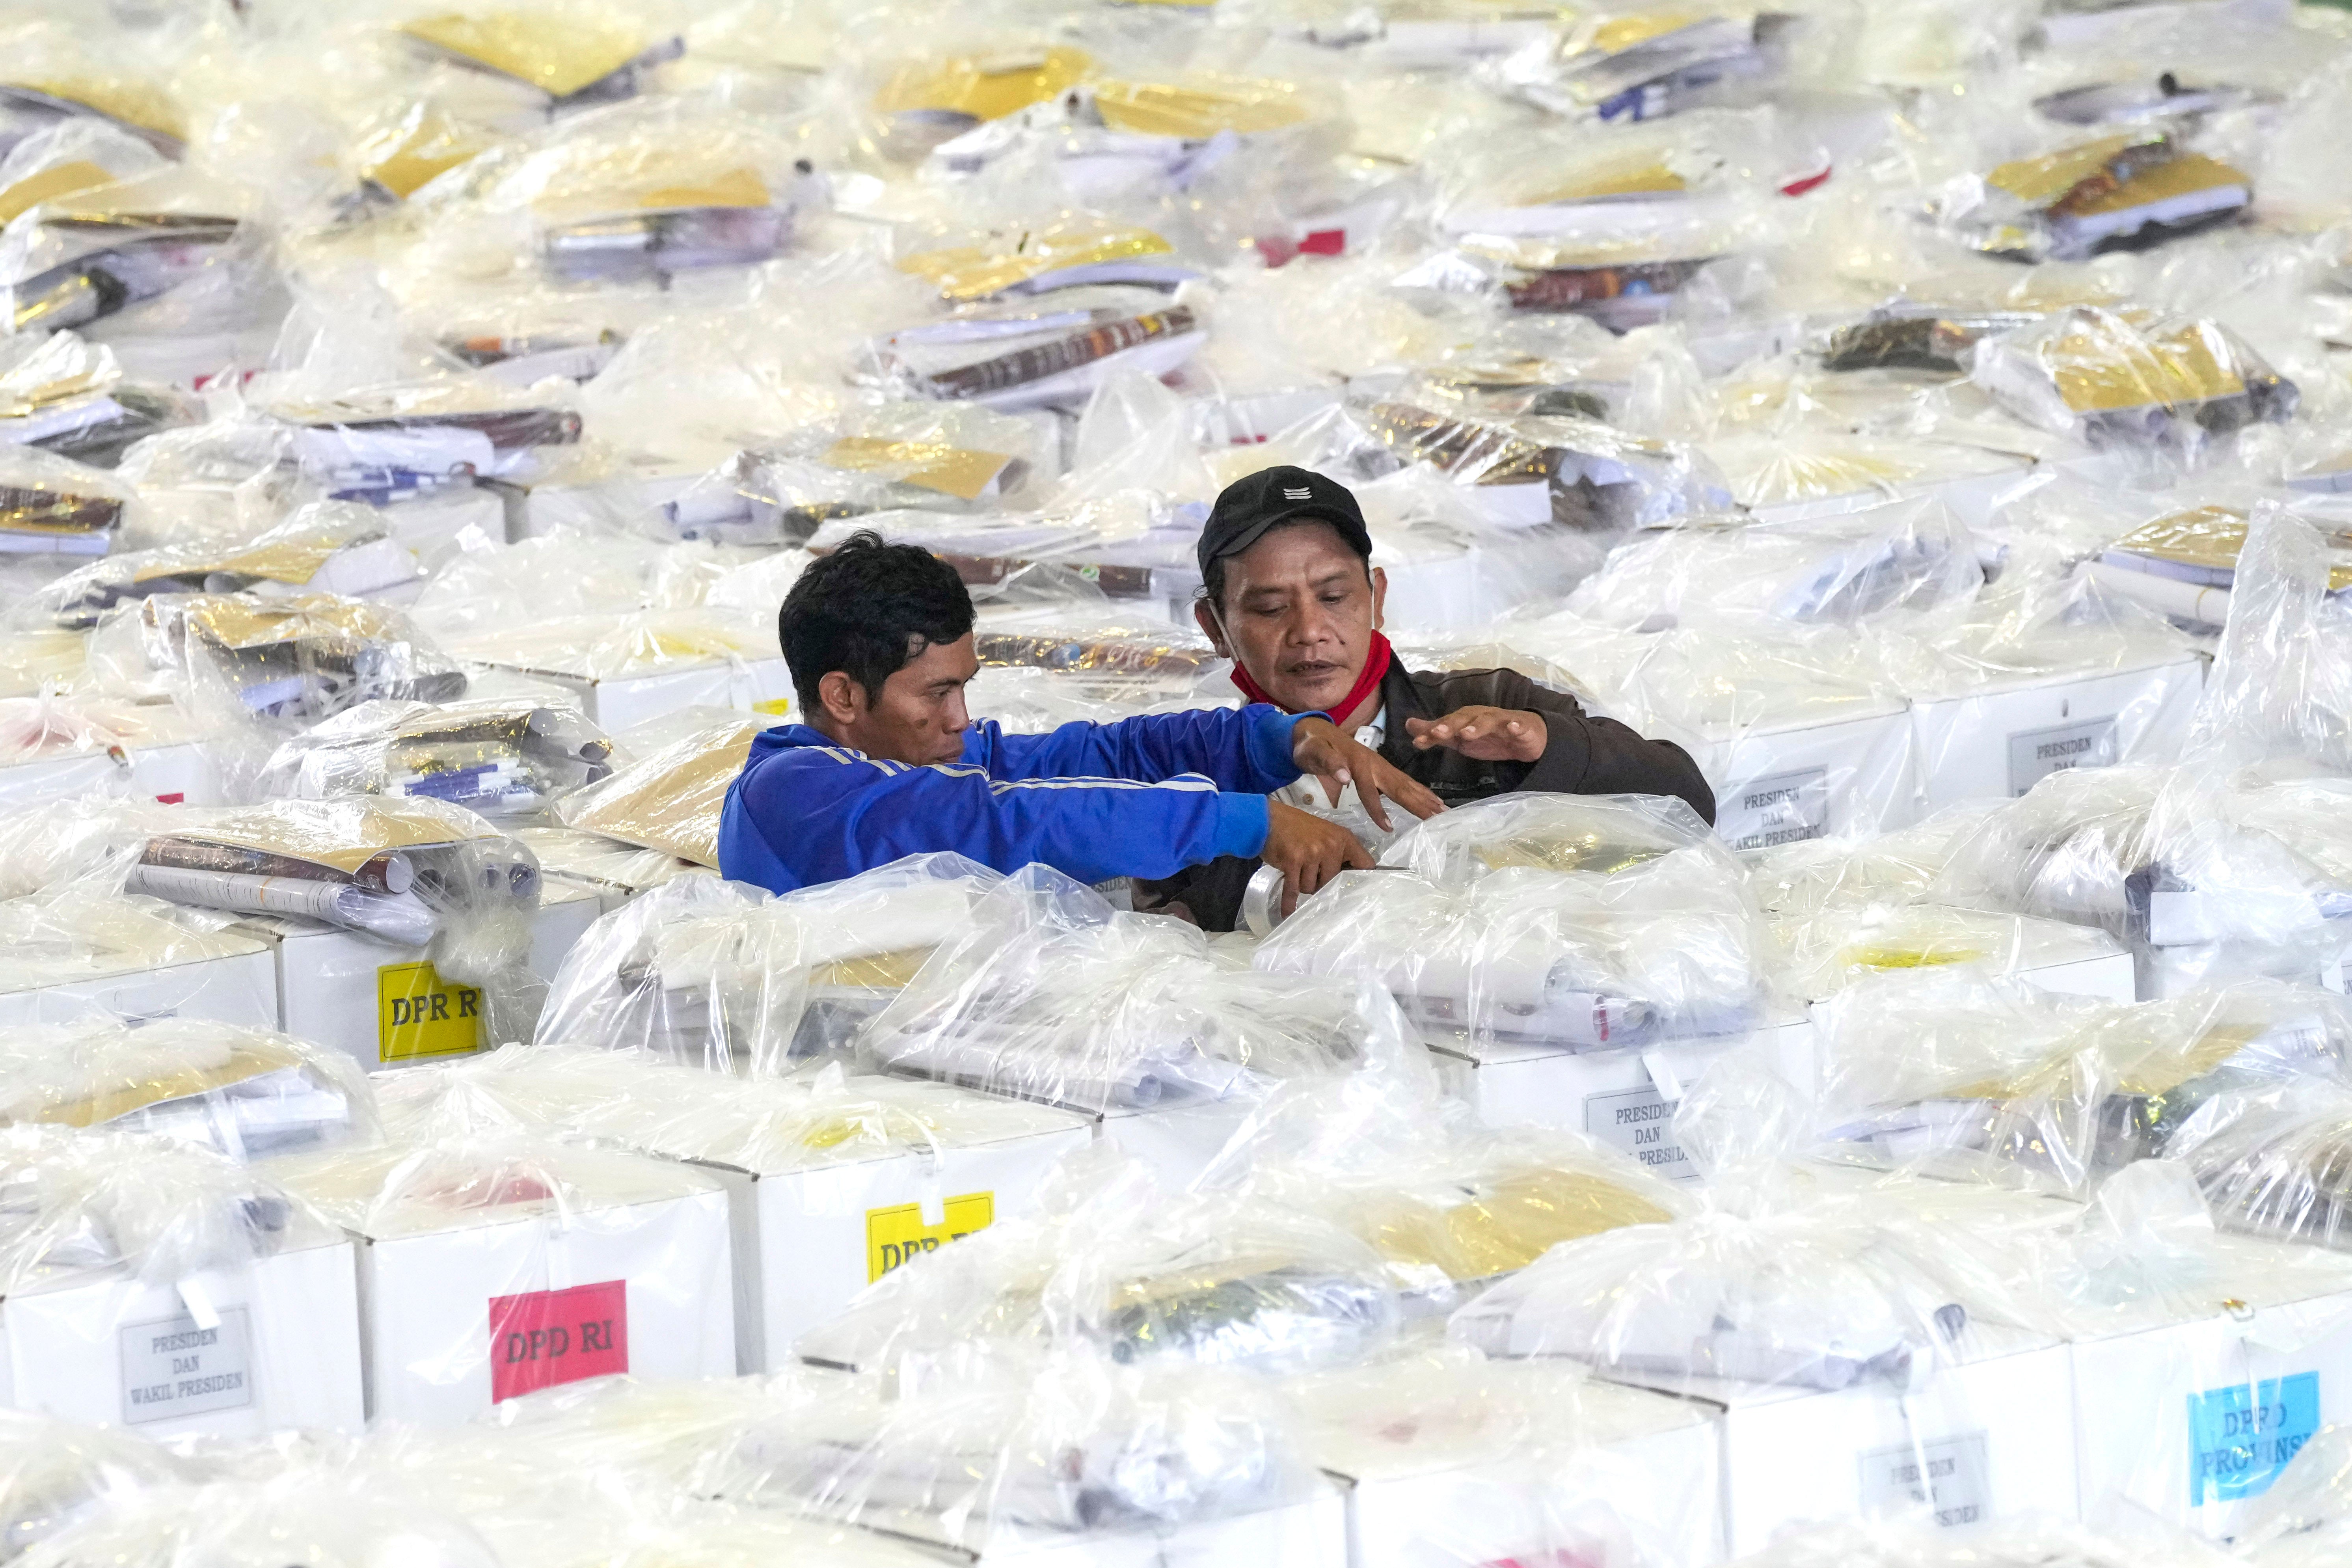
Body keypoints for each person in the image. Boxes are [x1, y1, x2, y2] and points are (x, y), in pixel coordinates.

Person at [718, 530, 1445, 905]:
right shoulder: (797, 792)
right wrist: (1248, 822)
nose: (960, 719)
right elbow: (1014, 818)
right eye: (936, 694)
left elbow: (1092, 757)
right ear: (843, 697)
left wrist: (1274, 738)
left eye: (965, 688)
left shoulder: (903, 761)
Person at [1135, 464, 1717, 929]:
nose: (1310, 629)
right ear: (1215, 627)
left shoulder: (1491, 706)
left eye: (1334, 596)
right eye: (1269, 608)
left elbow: (1689, 807)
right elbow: (1172, 942)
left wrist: (1547, 746)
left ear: (1376, 596)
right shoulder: (1188, 777)